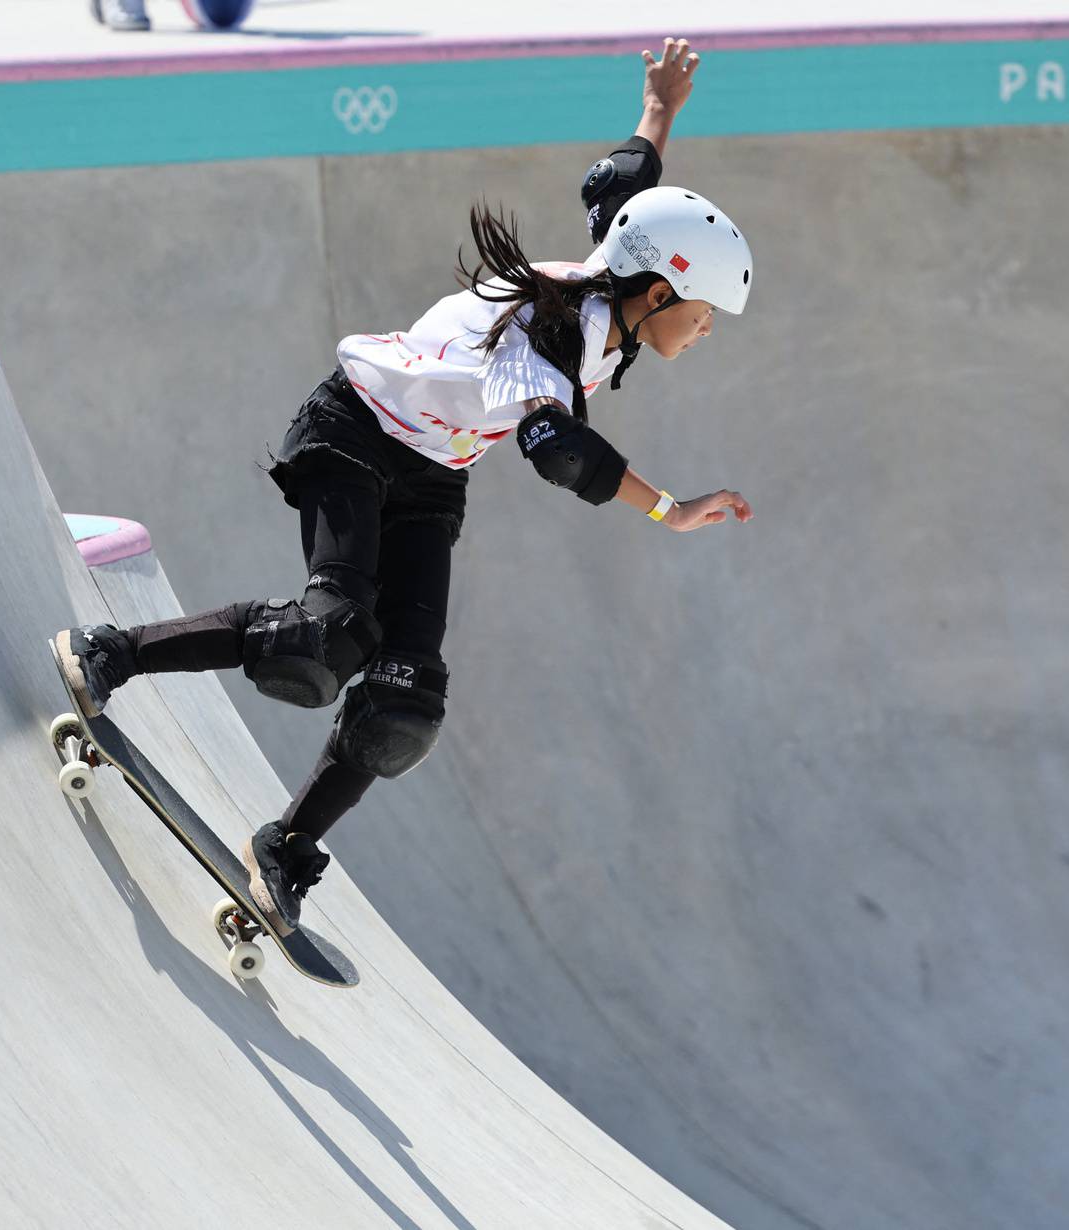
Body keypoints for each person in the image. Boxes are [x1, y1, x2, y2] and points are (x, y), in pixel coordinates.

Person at [56, 38, 754, 936]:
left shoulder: (622, 270)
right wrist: (671, 509)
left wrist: (660, 108)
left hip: (431, 479)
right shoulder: (553, 336)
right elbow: (560, 454)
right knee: (326, 635)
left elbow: (625, 189)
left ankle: (286, 851)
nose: (706, 333)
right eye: (703, 316)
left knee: (403, 699)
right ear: (658, 294)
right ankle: (111, 653)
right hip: (353, 432)